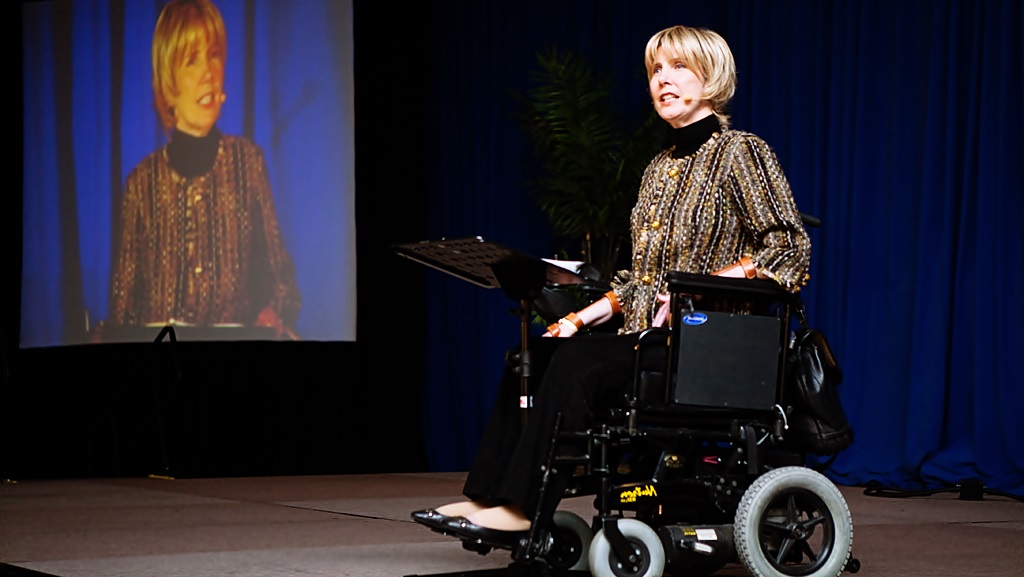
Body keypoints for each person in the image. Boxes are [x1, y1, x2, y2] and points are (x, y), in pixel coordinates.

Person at [412, 25, 811, 543]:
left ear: (710, 77)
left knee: (579, 365)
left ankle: (523, 506)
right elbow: (637, 280)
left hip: (708, 341)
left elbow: (788, 248)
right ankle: (487, 498)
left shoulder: (740, 152)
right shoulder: (657, 170)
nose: (663, 81)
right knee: (534, 354)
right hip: (650, 337)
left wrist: (701, 285)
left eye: (678, 68)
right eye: (655, 71)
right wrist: (576, 319)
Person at [108, 0, 300, 339]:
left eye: (213, 55)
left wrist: (272, 313)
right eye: (192, 61)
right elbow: (123, 312)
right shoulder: (141, 184)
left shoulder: (248, 163)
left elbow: (282, 284)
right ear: (169, 85)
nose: (209, 72)